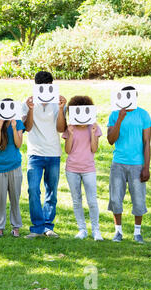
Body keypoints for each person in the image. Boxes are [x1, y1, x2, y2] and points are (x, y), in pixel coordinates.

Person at [23, 71, 67, 239]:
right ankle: (37, 227)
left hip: (53, 152)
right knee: (33, 190)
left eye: (48, 86)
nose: (45, 89)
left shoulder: (57, 103)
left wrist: (62, 108)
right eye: (41, 86)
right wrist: (31, 109)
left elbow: (61, 129)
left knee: (51, 192)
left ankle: (48, 226)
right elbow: (27, 128)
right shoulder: (27, 103)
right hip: (35, 153)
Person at [107, 86, 151, 244]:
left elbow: (147, 142)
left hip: (137, 164)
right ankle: (118, 231)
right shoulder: (114, 114)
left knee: (139, 199)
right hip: (118, 162)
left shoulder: (143, 115)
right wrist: (120, 119)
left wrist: (146, 166)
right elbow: (111, 140)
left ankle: (137, 233)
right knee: (115, 198)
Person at [62, 96, 103, 241]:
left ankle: (96, 230)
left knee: (92, 201)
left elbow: (94, 149)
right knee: (76, 200)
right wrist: (71, 134)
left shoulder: (93, 127)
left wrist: (92, 133)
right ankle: (82, 229)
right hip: (72, 168)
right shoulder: (70, 128)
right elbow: (67, 150)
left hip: (88, 169)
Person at [0, 99, 25, 238]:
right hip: (0, 167)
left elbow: (18, 144)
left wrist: (15, 127)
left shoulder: (19, 123)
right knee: (1, 198)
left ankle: (16, 226)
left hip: (15, 165)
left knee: (15, 197)